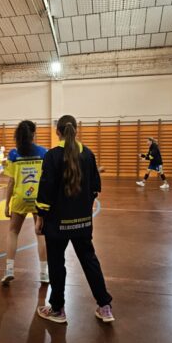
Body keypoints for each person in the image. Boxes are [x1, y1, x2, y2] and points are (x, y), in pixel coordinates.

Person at [35, 115, 114, 324]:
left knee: (56, 263)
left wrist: (40, 217)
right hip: (83, 222)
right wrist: (83, 209)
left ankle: (57, 310)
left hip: (57, 224)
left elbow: (45, 191)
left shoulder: (52, 156)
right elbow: (95, 188)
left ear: (57, 132)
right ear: (76, 130)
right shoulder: (88, 154)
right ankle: (105, 306)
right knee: (89, 260)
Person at [2, 121, 48, 285]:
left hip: (20, 198)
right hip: (38, 198)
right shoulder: (44, 152)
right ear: (33, 134)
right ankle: (44, 274)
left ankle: (9, 270)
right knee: (41, 234)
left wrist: (7, 204)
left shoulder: (14, 154)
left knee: (13, 232)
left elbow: (11, 182)